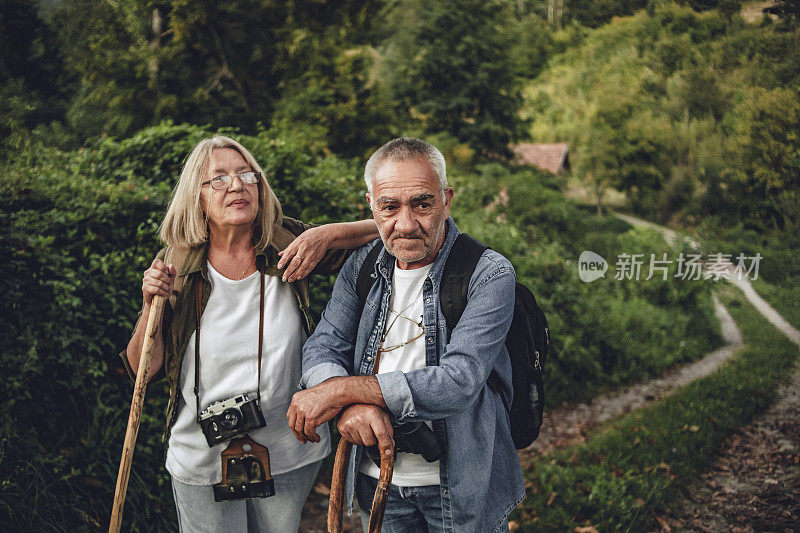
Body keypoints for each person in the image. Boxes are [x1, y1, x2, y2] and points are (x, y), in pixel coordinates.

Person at [120, 134, 378, 533]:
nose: (237, 185)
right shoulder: (176, 265)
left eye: (246, 174)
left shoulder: (285, 243)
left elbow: (386, 227)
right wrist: (149, 307)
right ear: (198, 196)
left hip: (290, 448)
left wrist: (325, 234)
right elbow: (143, 370)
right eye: (219, 179)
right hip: (202, 456)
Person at [287, 137, 525, 532]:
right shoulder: (362, 266)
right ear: (371, 206)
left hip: (461, 486)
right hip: (375, 476)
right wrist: (354, 408)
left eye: (422, 203)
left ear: (446, 200)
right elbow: (324, 345)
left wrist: (338, 392)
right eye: (389, 207)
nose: (406, 223)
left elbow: (458, 381)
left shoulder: (490, 274)